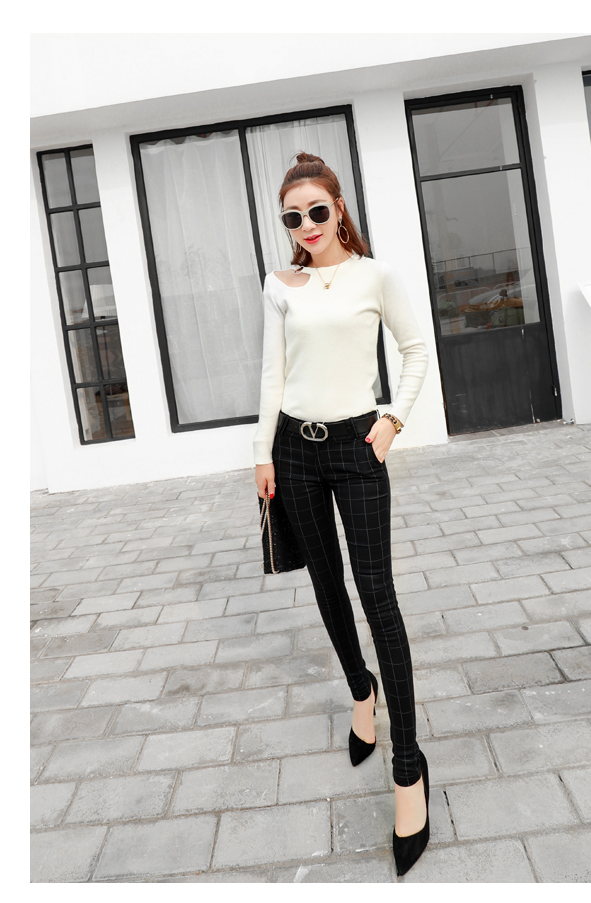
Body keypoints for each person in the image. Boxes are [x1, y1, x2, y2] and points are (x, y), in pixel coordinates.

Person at [253, 152, 430, 876]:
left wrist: (392, 421)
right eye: (292, 217)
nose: (306, 225)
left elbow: (416, 350)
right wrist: (262, 454)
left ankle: (408, 766)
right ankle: (362, 690)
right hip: (294, 450)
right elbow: (273, 374)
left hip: (358, 446)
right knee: (327, 586)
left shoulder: (374, 276)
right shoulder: (279, 284)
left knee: (377, 596)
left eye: (317, 211)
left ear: (339, 210)